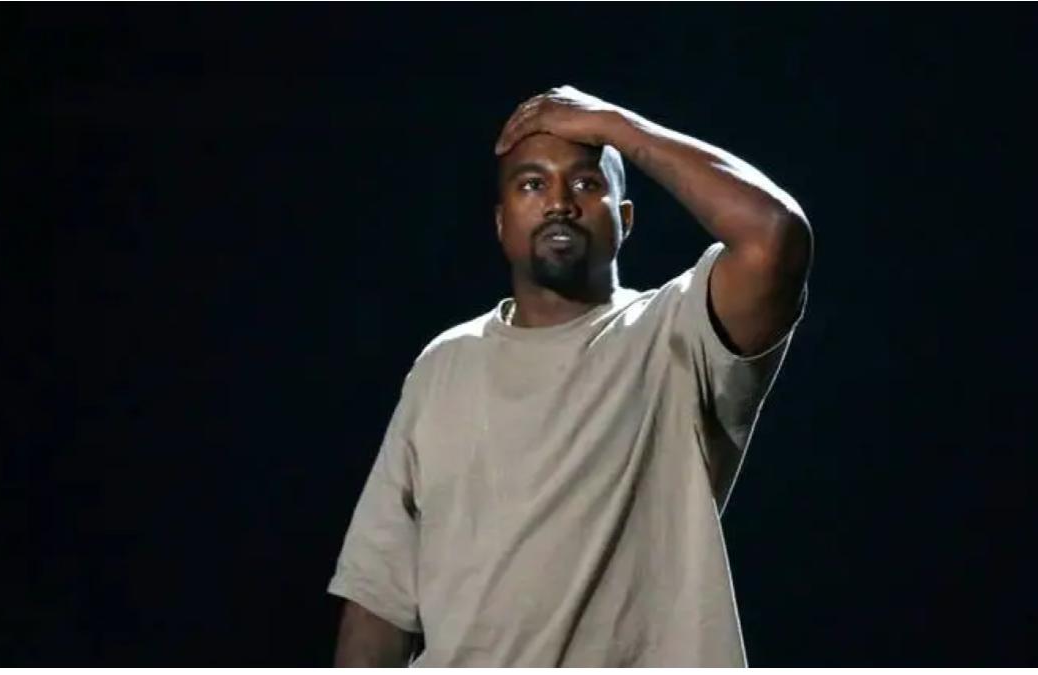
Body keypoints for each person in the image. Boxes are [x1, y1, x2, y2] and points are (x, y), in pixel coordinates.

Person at [327, 85, 813, 667]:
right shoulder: (443, 365)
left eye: (585, 183)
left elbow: (773, 237)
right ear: (501, 222)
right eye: (532, 185)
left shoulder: (673, 331)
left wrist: (616, 126)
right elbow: (377, 598)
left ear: (624, 218)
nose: (559, 203)